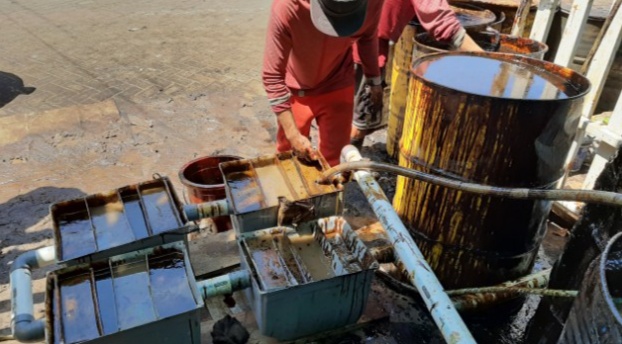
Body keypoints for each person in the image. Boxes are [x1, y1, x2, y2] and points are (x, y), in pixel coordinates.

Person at [262, 0, 384, 167]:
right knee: (290, 157)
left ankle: (334, 192)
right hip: (297, 87)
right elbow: (272, 76)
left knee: (335, 160)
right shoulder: (287, 6)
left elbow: (368, 35)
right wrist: (292, 134)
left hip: (338, 79)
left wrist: (374, 80)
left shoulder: (374, 3)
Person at [350, 0, 484, 146]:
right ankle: (342, 163)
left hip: (343, 37)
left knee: (348, 113)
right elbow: (442, 21)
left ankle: (340, 156)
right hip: (366, 49)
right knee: (359, 122)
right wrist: (486, 60)